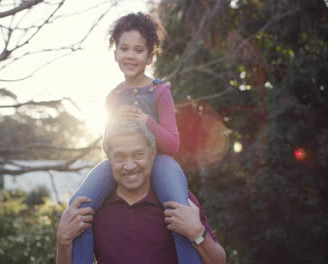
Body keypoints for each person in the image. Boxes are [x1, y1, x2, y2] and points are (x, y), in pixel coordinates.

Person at [69, 12, 200, 264]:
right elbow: (108, 147)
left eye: (138, 50)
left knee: (179, 213)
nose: (130, 55)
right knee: (78, 206)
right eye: (124, 48)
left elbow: (172, 144)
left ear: (150, 56)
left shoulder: (159, 90)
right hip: (122, 160)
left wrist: (147, 121)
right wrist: (114, 121)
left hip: (159, 161)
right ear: (115, 52)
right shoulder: (113, 96)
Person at [57, 120, 227, 264]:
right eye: (120, 156)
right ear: (109, 159)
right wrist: (63, 242)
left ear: (152, 154)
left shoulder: (180, 202)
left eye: (138, 154)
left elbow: (220, 261)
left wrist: (197, 233)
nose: (129, 166)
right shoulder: (91, 209)